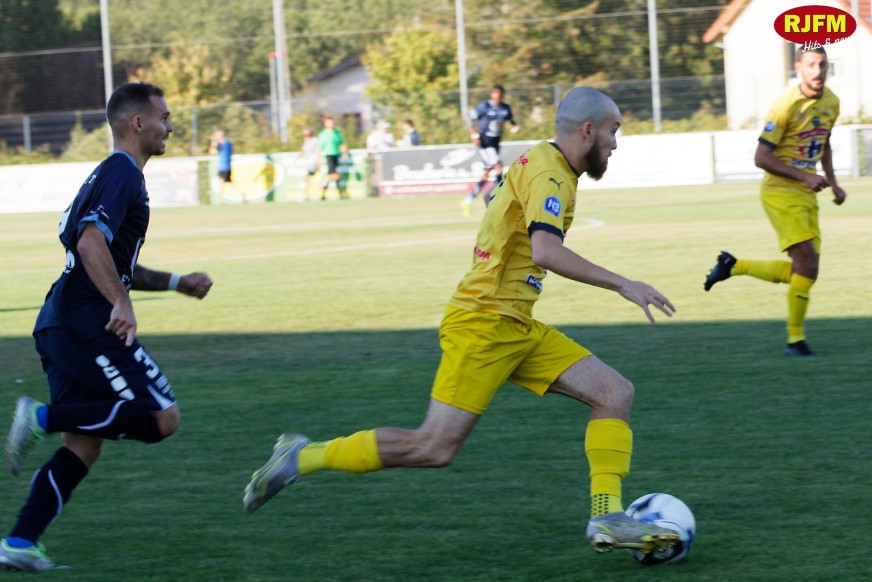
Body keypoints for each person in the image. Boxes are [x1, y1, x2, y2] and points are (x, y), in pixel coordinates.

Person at [243, 87, 680, 557]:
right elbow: (545, 251)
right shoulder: (550, 175)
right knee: (432, 448)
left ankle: (607, 515)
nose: (615, 142)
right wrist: (623, 284)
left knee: (614, 393)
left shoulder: (542, 161)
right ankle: (303, 455)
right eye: (614, 130)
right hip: (485, 322)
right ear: (588, 130)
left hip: (514, 323)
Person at [0, 83, 213, 573]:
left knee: (84, 444)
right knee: (161, 417)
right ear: (138, 123)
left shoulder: (108, 173)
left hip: (59, 322)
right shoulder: (122, 173)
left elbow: (111, 260)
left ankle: (19, 541)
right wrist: (120, 302)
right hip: (86, 323)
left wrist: (177, 283)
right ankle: (40, 417)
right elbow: (91, 242)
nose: (169, 127)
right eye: (163, 117)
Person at [703, 45, 846, 357]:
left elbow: (824, 142)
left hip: (806, 193)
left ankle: (733, 266)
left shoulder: (832, 102)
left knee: (807, 271)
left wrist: (834, 183)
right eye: (811, 65)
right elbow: (761, 157)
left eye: (822, 65)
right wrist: (804, 175)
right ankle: (795, 341)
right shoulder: (785, 105)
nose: (817, 71)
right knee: (807, 265)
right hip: (780, 193)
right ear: (798, 68)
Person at [461, 84, 519, 216]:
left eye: (500, 95)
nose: (497, 97)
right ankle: (498, 199)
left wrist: (514, 127)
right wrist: (474, 135)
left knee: (486, 174)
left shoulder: (505, 108)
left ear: (502, 95)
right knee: (499, 168)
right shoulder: (484, 107)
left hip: (495, 144)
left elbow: (512, 121)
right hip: (485, 144)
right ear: (492, 95)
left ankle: (467, 201)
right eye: (495, 95)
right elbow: (468, 117)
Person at [317, 116, 344, 201]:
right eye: (329, 122)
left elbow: (341, 144)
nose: (331, 124)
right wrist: (318, 159)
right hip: (329, 155)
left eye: (332, 122)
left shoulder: (337, 133)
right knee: (334, 175)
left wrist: (344, 153)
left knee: (332, 175)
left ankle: (323, 193)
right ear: (325, 124)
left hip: (337, 155)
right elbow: (320, 148)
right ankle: (339, 193)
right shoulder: (323, 134)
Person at [209, 129, 236, 200]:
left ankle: (221, 199)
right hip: (226, 166)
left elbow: (212, 152)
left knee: (220, 182)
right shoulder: (229, 144)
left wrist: (213, 143)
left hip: (223, 167)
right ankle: (241, 195)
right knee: (229, 182)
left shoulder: (223, 144)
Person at [300, 127, 321, 201]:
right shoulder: (306, 141)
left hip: (314, 162)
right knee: (306, 179)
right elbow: (303, 151)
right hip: (307, 163)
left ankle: (321, 195)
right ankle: (306, 195)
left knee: (317, 179)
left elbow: (318, 150)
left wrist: (317, 161)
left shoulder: (315, 140)